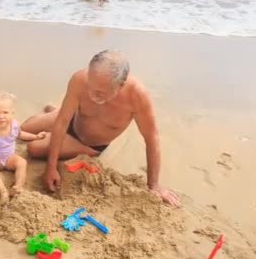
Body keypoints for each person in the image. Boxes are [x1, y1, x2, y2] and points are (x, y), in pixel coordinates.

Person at [20, 50, 180, 207]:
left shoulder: (137, 96)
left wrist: (154, 185)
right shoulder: (80, 78)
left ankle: (58, 113)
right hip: (73, 119)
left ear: (121, 85)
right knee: (25, 127)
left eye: (100, 93)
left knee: (34, 148)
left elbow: (152, 138)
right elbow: (62, 122)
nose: (92, 95)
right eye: (90, 87)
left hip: (88, 143)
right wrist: (51, 167)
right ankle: (59, 110)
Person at [0, 91, 46, 203]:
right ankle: (2, 190)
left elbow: (20, 134)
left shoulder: (14, 126)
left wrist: (35, 136)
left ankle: (18, 186)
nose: (1, 116)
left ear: (12, 113)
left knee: (22, 162)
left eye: (5, 112)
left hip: (9, 157)